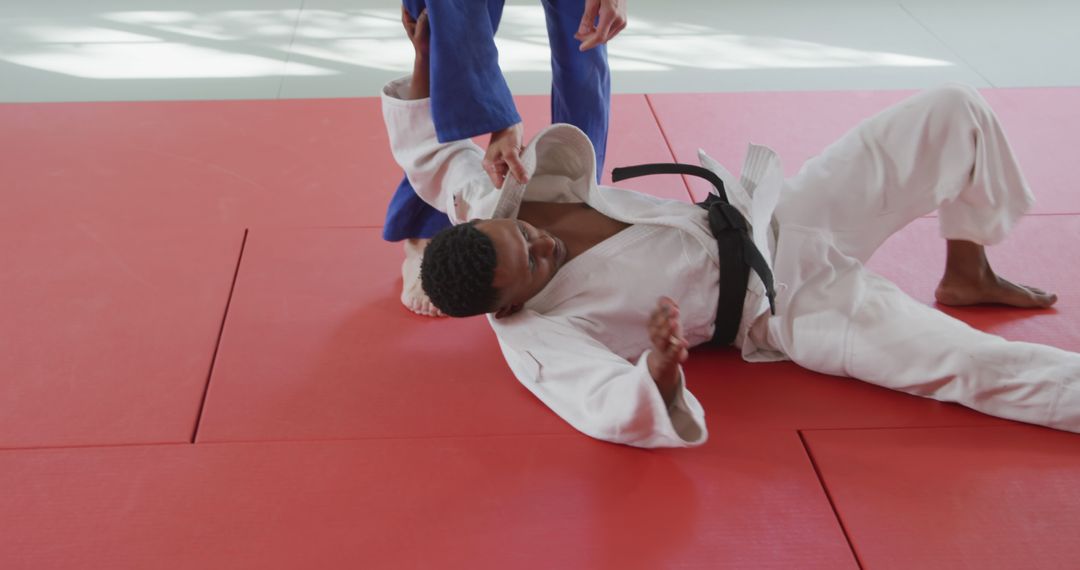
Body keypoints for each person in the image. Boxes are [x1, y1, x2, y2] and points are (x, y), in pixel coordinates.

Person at [383, 12, 1078, 448]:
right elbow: (597, 403)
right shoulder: (537, 337)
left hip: (783, 214)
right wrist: (655, 372)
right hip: (787, 307)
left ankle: (967, 267)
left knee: (952, 110)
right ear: (510, 304)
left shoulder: (496, 209)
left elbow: (433, 158)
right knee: (973, 368)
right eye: (532, 262)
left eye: (522, 235)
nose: (538, 240)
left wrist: (422, 64)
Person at [388, 1, 626, 317]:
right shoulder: (479, 200)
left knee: (587, 44)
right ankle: (427, 229)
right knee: (444, 34)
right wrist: (501, 120)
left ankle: (579, 200)